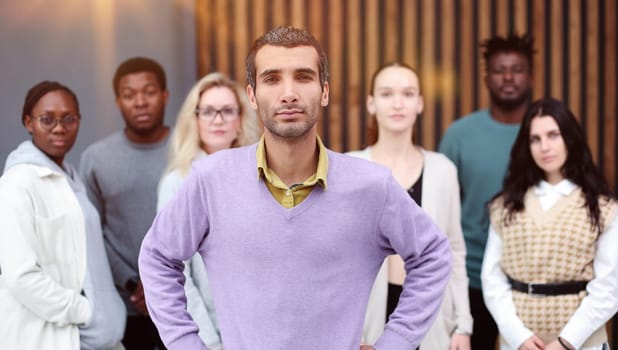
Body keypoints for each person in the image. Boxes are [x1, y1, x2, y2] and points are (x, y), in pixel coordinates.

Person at [139, 26, 452, 350]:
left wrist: (395, 342)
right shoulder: (210, 180)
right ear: (252, 95)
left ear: (325, 92)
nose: (288, 93)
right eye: (272, 79)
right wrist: (186, 344)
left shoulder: (372, 186)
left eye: (303, 77)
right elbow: (157, 256)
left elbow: (433, 255)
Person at [481, 98, 618, 350]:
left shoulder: (603, 208)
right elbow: (492, 279)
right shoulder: (506, 205)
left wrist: (566, 342)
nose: (544, 146)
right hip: (518, 344)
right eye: (535, 139)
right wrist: (518, 336)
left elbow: (609, 288)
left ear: (570, 138)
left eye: (553, 135)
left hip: (582, 344)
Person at [349, 62, 472, 350]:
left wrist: (463, 324)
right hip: (367, 320)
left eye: (407, 93)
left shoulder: (443, 170)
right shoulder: (352, 168)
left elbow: (454, 249)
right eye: (386, 93)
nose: (397, 103)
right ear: (371, 103)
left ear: (420, 104)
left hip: (429, 314)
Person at [0, 81, 126, 350]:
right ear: (28, 122)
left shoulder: (70, 178)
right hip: (58, 336)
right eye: (47, 119)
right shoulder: (18, 182)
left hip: (97, 338)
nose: (59, 128)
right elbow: (20, 276)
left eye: (69, 119)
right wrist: (85, 311)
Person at [438, 33, 535, 349]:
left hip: (531, 279)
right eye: (499, 70)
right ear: (486, 77)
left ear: (531, 75)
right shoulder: (459, 135)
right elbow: (442, 210)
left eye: (517, 69)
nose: (508, 77)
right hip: (472, 277)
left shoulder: (546, 134)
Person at [157, 71, 261, 349]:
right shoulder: (178, 182)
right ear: (195, 120)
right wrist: (207, 341)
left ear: (240, 120)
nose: (218, 120)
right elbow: (175, 273)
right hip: (209, 334)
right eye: (208, 112)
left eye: (227, 111)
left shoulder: (262, 177)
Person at [79, 57, 170, 349]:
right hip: (125, 306)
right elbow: (91, 233)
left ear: (165, 95)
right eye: (129, 95)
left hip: (183, 300)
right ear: (118, 101)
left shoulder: (189, 149)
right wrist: (133, 283)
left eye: (150, 91)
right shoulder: (96, 159)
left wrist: (162, 284)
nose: (140, 102)